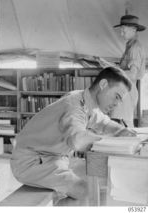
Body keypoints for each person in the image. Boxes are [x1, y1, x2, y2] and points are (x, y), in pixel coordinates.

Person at [10, 67, 136, 203]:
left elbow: (104, 123)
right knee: (87, 192)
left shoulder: (85, 100)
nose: (117, 104)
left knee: (100, 183)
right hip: (30, 162)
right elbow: (77, 141)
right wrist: (110, 141)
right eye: (116, 96)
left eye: (120, 100)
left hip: (51, 159)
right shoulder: (74, 106)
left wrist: (122, 131)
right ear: (103, 85)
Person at [96, 14, 146, 127]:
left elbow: (132, 75)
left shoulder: (135, 48)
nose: (121, 33)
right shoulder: (130, 47)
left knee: (122, 125)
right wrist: (108, 65)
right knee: (118, 125)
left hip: (127, 91)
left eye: (124, 30)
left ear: (134, 30)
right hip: (123, 90)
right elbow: (124, 69)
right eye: (121, 30)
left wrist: (113, 70)